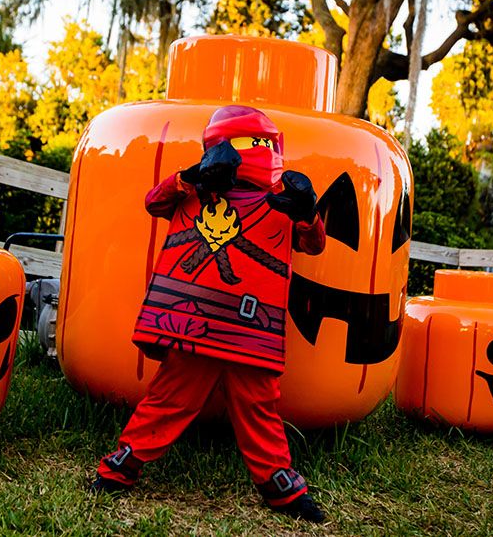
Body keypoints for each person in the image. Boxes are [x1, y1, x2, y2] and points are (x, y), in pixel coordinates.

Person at [91, 105, 327, 523]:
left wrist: (308, 210)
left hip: (251, 329)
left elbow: (312, 245)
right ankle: (119, 469)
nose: (256, 150)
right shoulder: (194, 192)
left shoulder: (280, 204)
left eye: (260, 143)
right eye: (248, 142)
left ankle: (282, 489)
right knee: (169, 401)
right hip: (195, 324)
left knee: (260, 407)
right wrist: (192, 176)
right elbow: (154, 202)